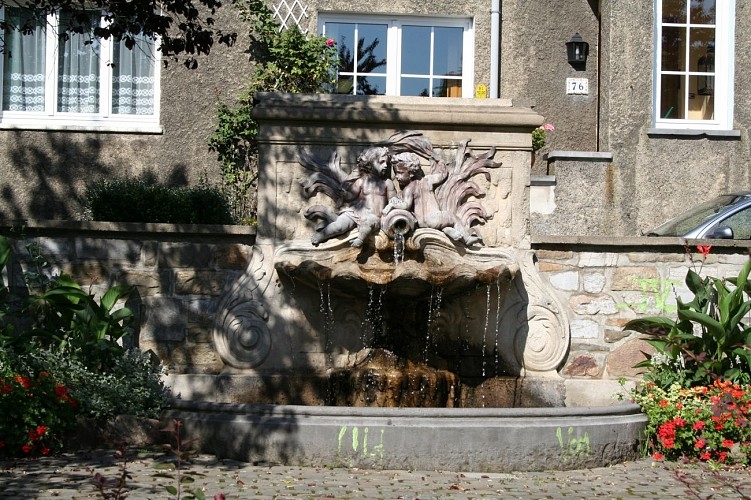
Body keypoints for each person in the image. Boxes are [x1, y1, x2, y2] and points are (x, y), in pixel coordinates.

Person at [385, 151, 481, 246]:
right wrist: (440, 161)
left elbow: (406, 205)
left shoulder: (408, 189)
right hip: (434, 218)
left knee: (442, 224)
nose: (397, 177)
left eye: (400, 173)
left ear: (411, 173)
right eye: (396, 173)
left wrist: (393, 205)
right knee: (453, 218)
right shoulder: (428, 180)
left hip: (422, 222)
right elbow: (442, 175)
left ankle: (448, 231)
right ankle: (466, 238)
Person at [309, 146, 397, 248]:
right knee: (339, 226)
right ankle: (321, 235)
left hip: (374, 217)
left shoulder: (387, 183)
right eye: (381, 162)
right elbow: (351, 196)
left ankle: (360, 240)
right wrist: (345, 194)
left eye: (387, 163)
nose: (385, 166)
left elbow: (392, 200)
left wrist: (394, 201)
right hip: (355, 213)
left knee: (367, 223)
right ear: (370, 164)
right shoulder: (361, 181)